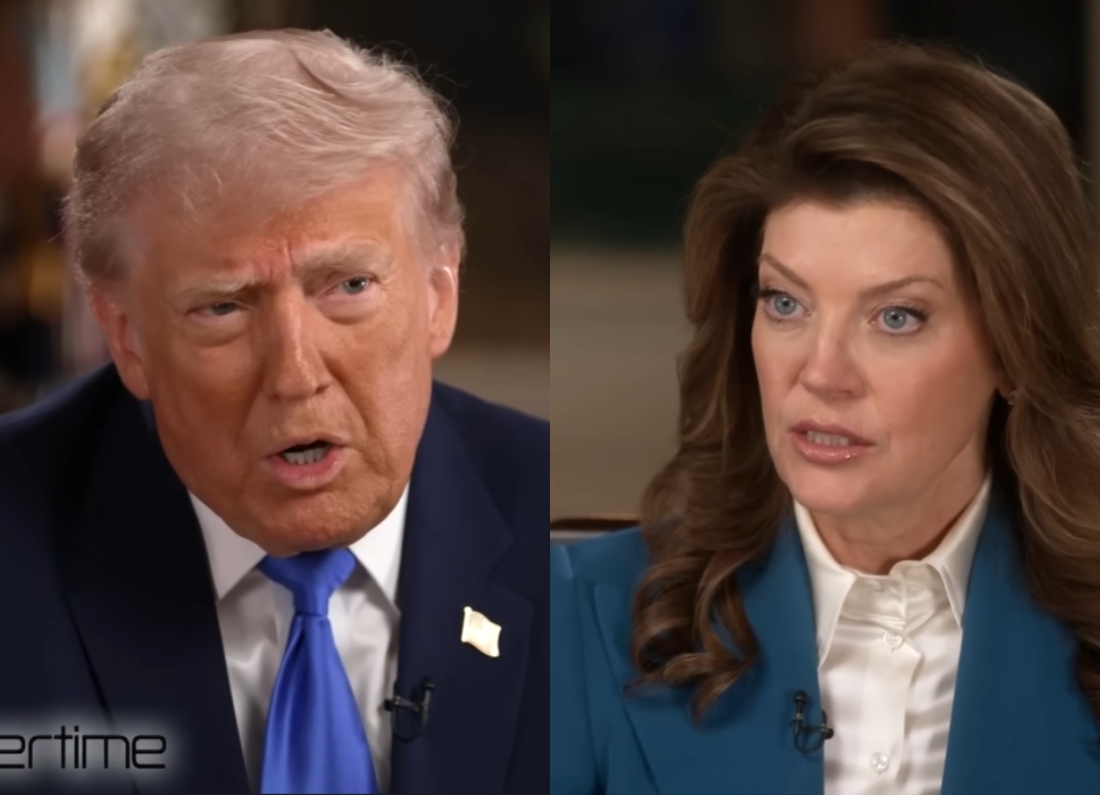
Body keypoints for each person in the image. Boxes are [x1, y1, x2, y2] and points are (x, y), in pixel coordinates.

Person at [0, 29, 547, 795]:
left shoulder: (584, 559)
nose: (295, 375)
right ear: (124, 335)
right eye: (222, 307)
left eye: (349, 286)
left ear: (438, 294)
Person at [551, 42, 1100, 795]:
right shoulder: (575, 615)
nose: (821, 372)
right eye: (786, 303)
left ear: (1014, 349)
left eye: (897, 316)